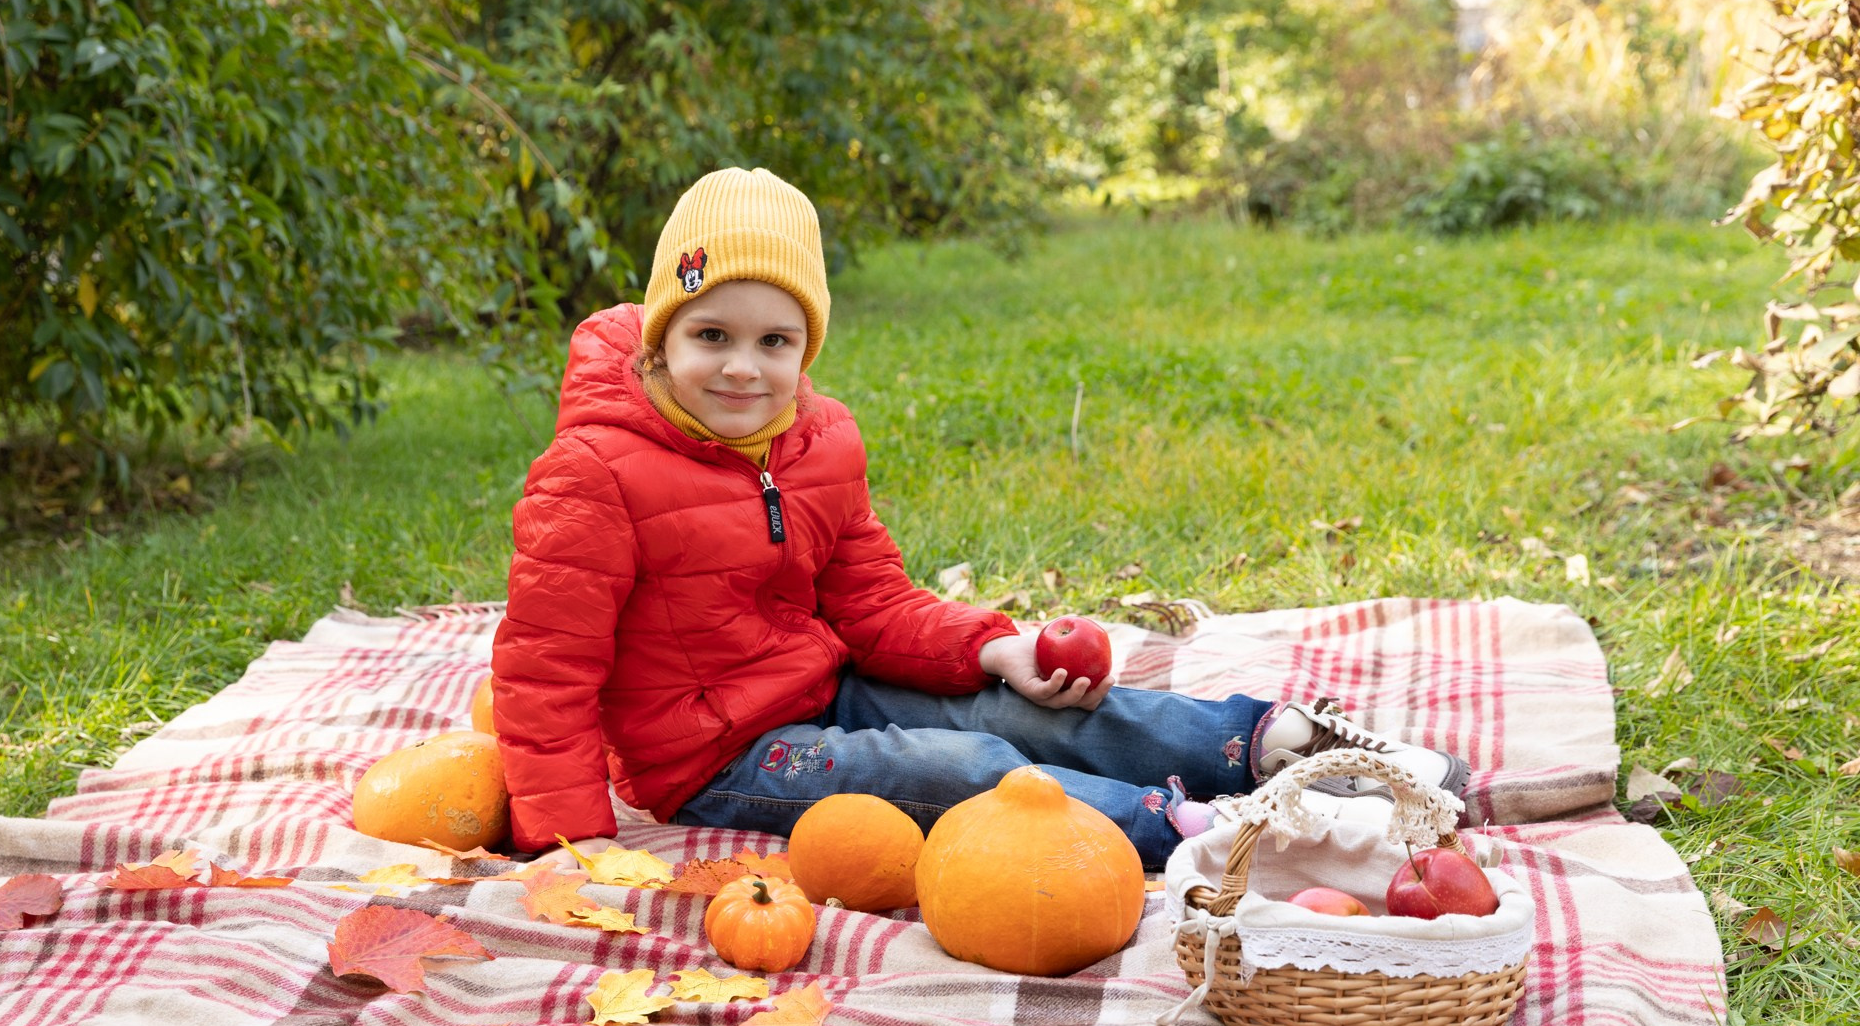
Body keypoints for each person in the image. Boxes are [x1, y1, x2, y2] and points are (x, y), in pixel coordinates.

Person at [490, 168, 1467, 869]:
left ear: (805, 345)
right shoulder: (592, 475)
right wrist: (565, 839)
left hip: (825, 689)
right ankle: (1187, 834)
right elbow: (544, 669)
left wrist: (989, 650)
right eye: (710, 335)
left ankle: (1274, 749)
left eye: (772, 339)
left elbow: (870, 599)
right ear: (663, 339)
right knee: (960, 763)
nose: (741, 366)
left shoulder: (816, 440)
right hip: (708, 758)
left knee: (1023, 706)